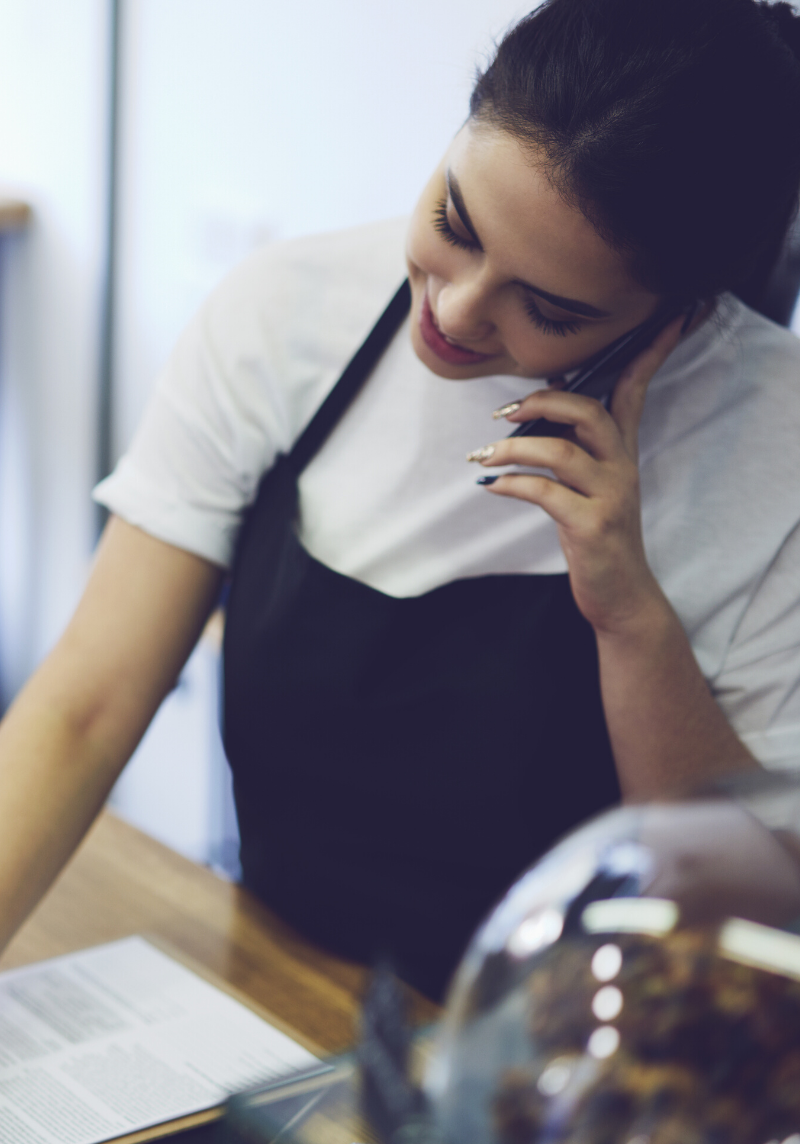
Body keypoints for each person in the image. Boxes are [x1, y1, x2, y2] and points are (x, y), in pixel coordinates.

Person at [1, 0, 799, 1001]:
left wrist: (629, 613)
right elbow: (83, 705)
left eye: (548, 309)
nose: (456, 311)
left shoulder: (775, 444)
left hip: (586, 1073)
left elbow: (747, 915)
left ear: (678, 313)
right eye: (453, 223)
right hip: (276, 993)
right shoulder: (283, 314)